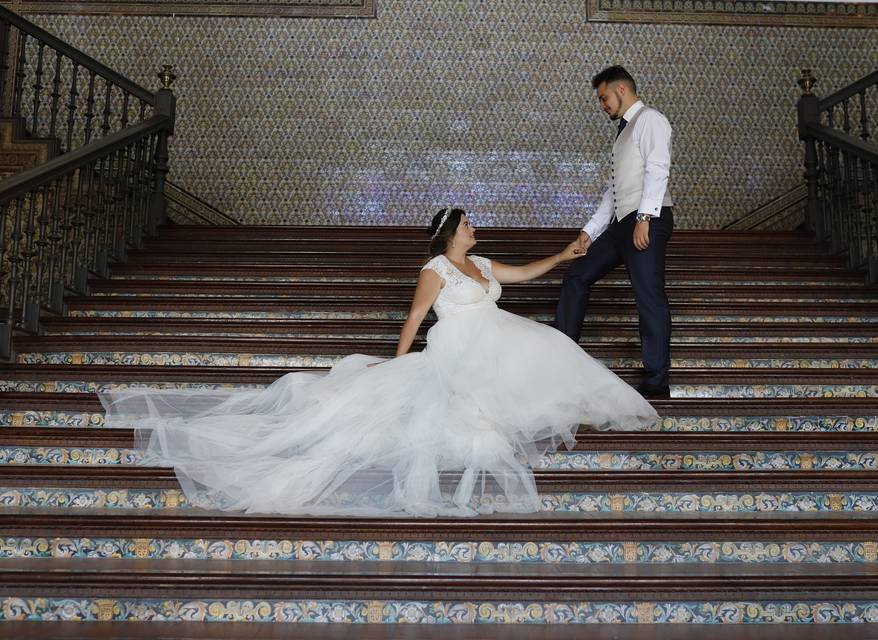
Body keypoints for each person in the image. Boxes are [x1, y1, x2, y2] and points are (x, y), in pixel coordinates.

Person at [100, 208, 658, 518]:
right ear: (450, 232)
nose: (472, 228)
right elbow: (416, 320)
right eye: (466, 223)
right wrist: (397, 365)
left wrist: (562, 256)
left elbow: (522, 275)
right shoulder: (436, 269)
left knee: (552, 348)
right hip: (459, 349)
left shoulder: (483, 263)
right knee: (467, 408)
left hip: (501, 339)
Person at [555, 65, 674, 398]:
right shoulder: (624, 131)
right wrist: (590, 232)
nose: (602, 104)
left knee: (648, 296)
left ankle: (657, 382)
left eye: (604, 97)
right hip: (624, 221)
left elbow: (658, 167)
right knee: (576, 275)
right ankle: (559, 359)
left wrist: (646, 217)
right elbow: (614, 190)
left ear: (621, 90)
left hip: (646, 218)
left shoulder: (650, 119)